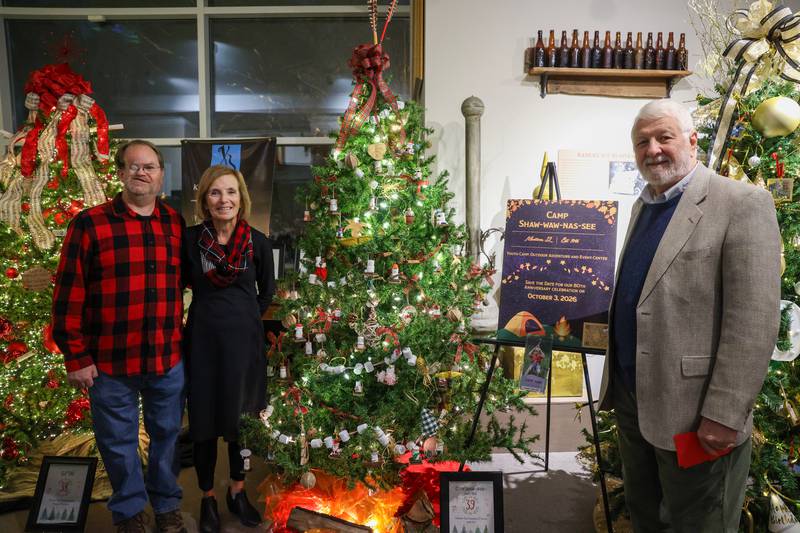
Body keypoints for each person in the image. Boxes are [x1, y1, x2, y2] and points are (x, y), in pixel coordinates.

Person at [597, 99, 781, 532]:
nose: (653, 149)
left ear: (692, 142)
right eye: (642, 142)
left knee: (700, 522)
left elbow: (753, 322)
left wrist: (725, 413)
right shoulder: (647, 204)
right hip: (634, 402)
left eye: (664, 137)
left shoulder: (742, 203)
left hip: (697, 414)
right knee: (646, 518)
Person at [52, 140, 187, 533]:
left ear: (161, 175)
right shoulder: (89, 224)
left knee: (166, 441)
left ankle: (166, 507)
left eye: (149, 167)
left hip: (166, 359)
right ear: (120, 173)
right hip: (110, 363)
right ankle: (129, 514)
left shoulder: (174, 223)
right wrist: (76, 356)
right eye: (133, 166)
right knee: (118, 443)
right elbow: (68, 294)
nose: (141, 173)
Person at [184, 165, 274, 533]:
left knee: (241, 426)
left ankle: (237, 492)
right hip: (202, 345)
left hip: (244, 348)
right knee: (203, 425)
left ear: (241, 199)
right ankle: (206, 497)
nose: (225, 200)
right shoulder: (189, 241)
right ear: (205, 200)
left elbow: (266, 293)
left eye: (231, 192)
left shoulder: (257, 242)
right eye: (216, 193)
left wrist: (242, 321)